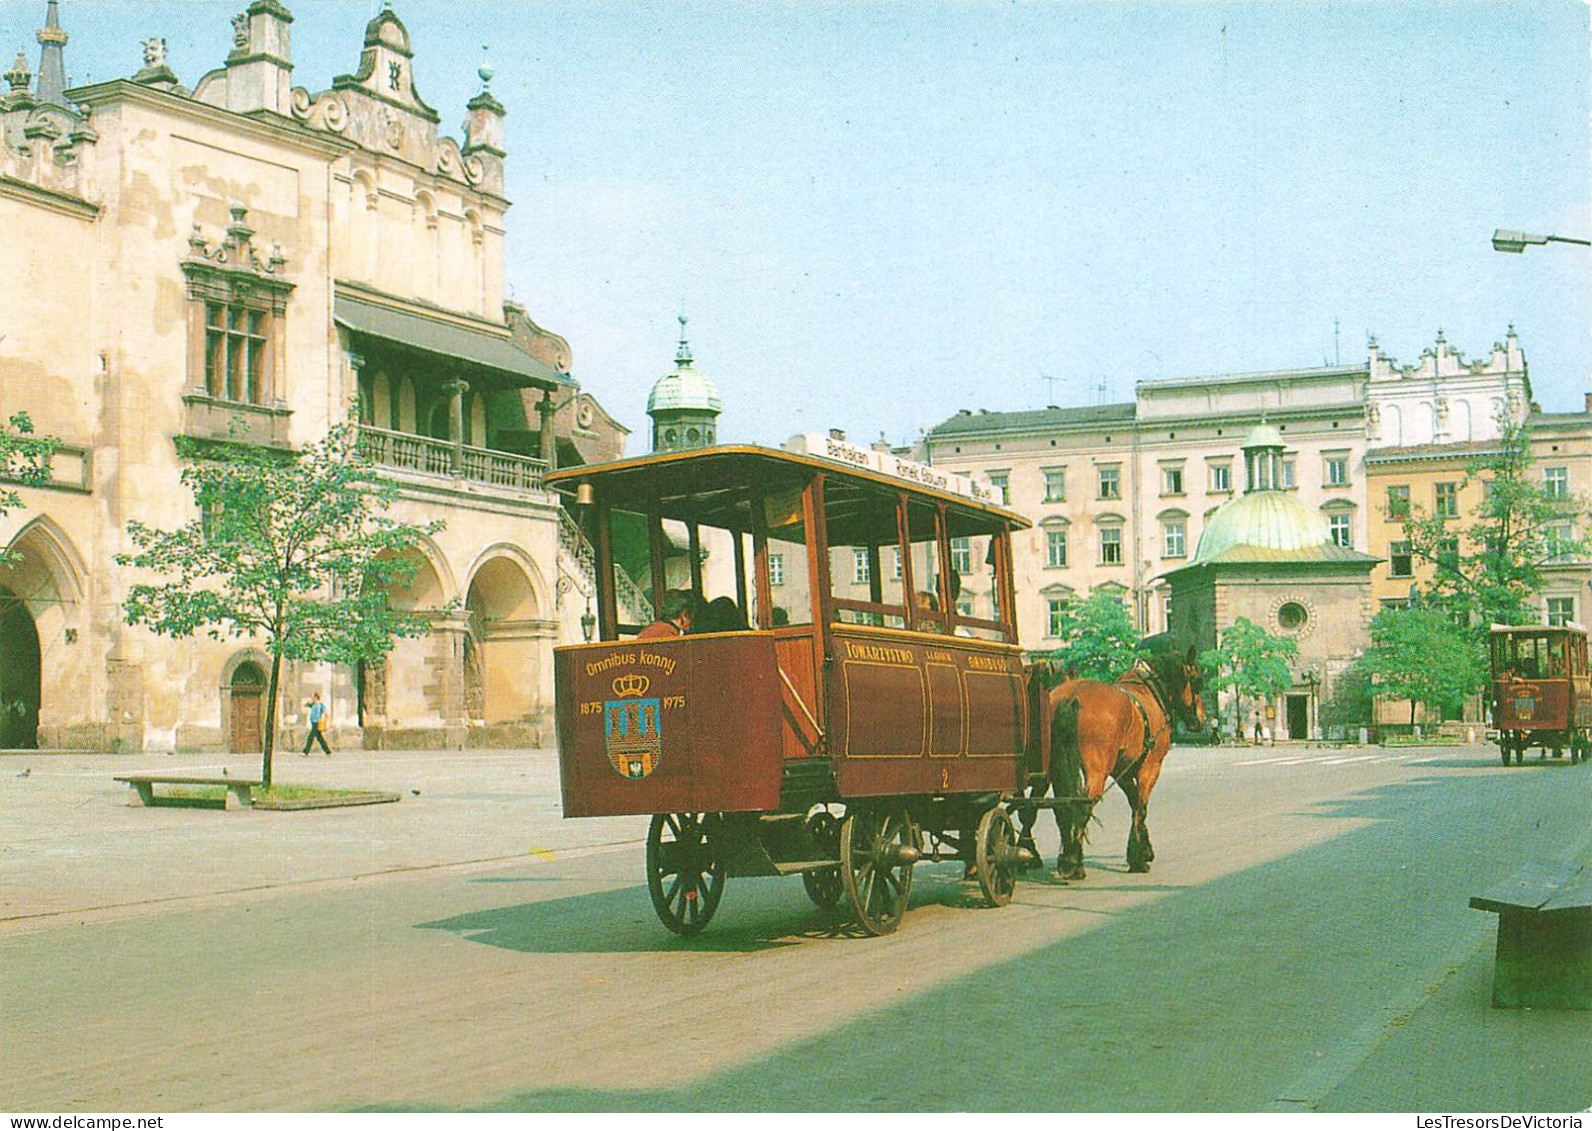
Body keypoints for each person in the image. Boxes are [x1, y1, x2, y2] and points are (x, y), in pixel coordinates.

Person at [302, 692, 332, 757]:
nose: (312, 698)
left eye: (313, 697)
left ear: (316, 697)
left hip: (317, 723)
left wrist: (326, 720)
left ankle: (306, 751)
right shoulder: (313, 704)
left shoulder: (320, 705)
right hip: (313, 722)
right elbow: (307, 705)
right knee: (320, 738)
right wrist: (307, 703)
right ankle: (327, 751)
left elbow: (325, 712)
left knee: (311, 737)